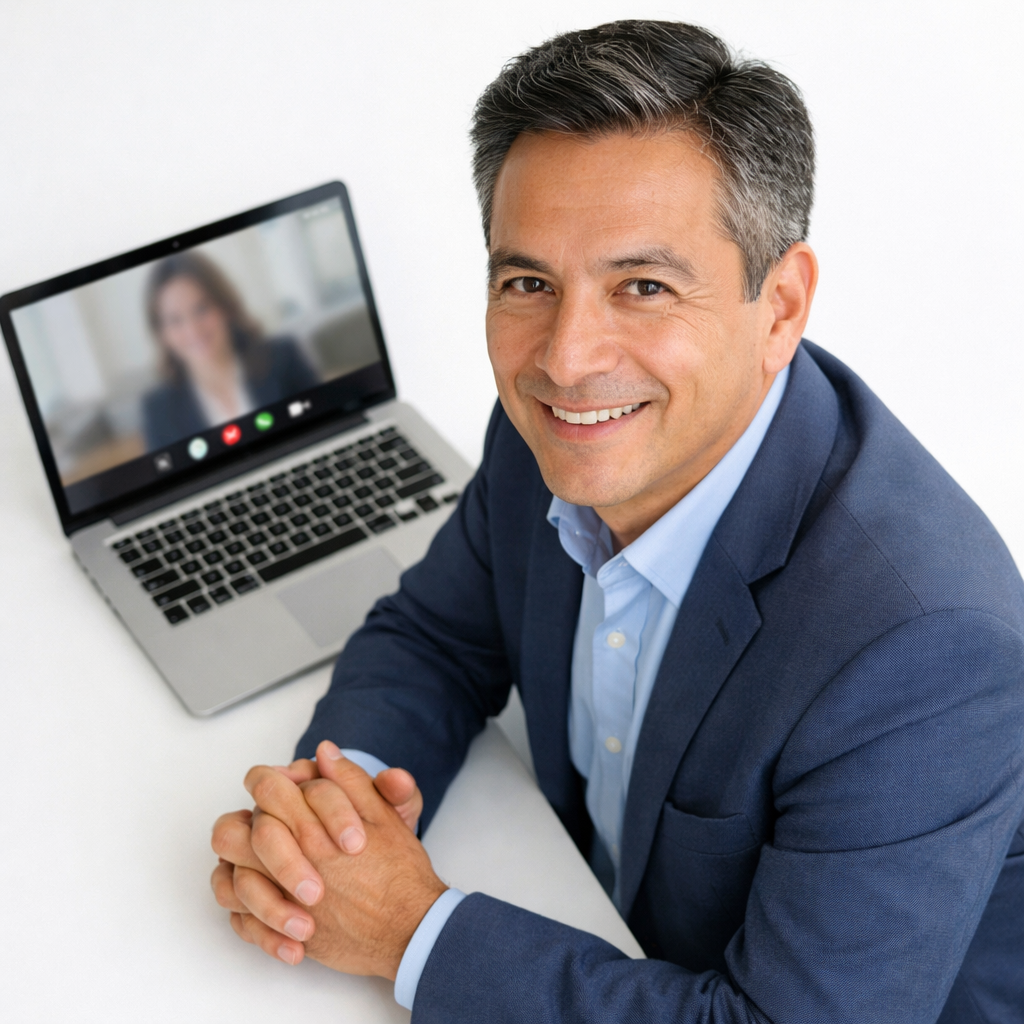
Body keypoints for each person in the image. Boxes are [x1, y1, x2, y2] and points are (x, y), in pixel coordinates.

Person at [209, 21, 1024, 1023]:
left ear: (779, 306)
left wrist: (407, 930)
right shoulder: (549, 432)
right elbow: (437, 638)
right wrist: (334, 816)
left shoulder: (928, 648)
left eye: (642, 286)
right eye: (527, 283)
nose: (566, 354)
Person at [141, 251, 319, 450]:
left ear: (225, 307)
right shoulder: (158, 410)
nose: (193, 330)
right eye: (175, 320)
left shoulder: (284, 357)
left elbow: (326, 427)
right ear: (161, 334)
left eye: (201, 309)